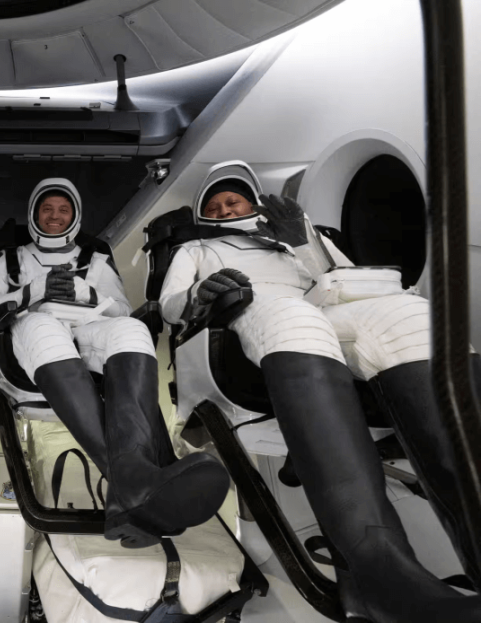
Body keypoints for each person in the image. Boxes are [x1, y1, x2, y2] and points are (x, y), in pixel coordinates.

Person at [159, 160, 481, 623]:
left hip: (333, 303)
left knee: (415, 319)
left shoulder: (299, 234)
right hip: (256, 306)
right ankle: (379, 577)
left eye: (235, 200)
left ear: (251, 201)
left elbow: (347, 278)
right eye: (216, 205)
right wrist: (201, 293)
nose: (227, 209)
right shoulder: (195, 248)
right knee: (298, 320)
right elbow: (172, 306)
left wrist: (300, 241)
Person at [0, 178, 230, 548]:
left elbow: (120, 309)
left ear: (75, 215)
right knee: (43, 326)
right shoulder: (10, 259)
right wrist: (37, 291)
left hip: (90, 322)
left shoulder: (94, 259)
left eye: (62, 209)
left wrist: (87, 292)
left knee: (130, 329)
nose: (54, 215)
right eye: (46, 209)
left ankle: (128, 489)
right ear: (34, 214)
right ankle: (140, 480)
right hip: (35, 324)